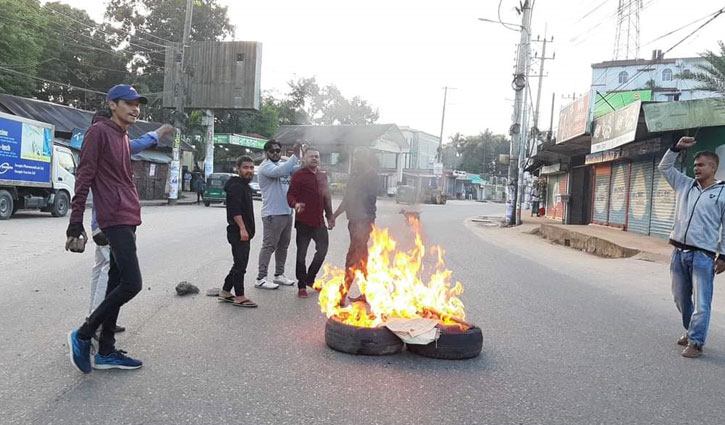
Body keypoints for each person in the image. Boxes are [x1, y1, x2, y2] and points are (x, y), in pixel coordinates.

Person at [65, 84, 149, 373]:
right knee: (132, 283)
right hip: (113, 216)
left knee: (116, 282)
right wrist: (75, 222)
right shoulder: (99, 132)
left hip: (127, 214)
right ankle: (84, 333)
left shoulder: (123, 137)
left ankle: (106, 351)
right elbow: (84, 176)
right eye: (128, 103)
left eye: (138, 104)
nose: (135, 108)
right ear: (112, 104)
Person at [88, 111, 174, 331]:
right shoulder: (109, 144)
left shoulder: (101, 144)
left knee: (101, 269)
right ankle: (96, 322)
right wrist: (161, 131)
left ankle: (97, 318)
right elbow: (137, 144)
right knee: (117, 276)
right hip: (110, 223)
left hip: (100, 222)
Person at [659, 136, 725, 358]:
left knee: (702, 302)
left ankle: (696, 342)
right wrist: (675, 148)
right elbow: (664, 166)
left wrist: (723, 255)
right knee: (679, 297)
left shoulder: (723, 193)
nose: (696, 168)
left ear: (714, 167)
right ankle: (690, 330)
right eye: (695, 165)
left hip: (703, 256)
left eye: (701, 165)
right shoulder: (684, 184)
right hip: (679, 252)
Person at [332, 149, 379, 304]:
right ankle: (366, 293)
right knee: (362, 257)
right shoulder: (355, 175)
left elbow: (368, 199)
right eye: (356, 157)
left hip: (364, 222)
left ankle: (342, 295)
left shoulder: (371, 175)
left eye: (360, 157)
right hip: (354, 221)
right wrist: (335, 215)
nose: (357, 160)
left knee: (353, 257)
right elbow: (347, 198)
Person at [255, 139, 303, 289]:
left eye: (278, 151)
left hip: (287, 212)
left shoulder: (282, 165)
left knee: (283, 246)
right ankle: (261, 278)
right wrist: (294, 155)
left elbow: (296, 170)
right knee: (269, 246)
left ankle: (279, 275)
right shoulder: (265, 167)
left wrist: (305, 157)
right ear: (266, 153)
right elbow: (280, 172)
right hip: (273, 214)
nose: (275, 153)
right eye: (272, 151)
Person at [287, 147, 334, 298]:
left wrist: (330, 215)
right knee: (301, 254)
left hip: (319, 221)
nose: (314, 158)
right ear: (305, 159)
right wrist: (295, 204)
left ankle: (310, 278)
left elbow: (326, 197)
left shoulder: (322, 176)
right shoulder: (299, 175)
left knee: (322, 250)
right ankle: (301, 285)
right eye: (311, 156)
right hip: (303, 222)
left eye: (317, 156)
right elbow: (290, 194)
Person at [217, 156, 258, 308]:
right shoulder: (236, 187)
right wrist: (242, 228)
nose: (249, 171)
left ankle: (226, 291)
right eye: (246, 167)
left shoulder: (243, 186)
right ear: (238, 169)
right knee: (241, 265)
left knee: (238, 263)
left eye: (251, 168)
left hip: (243, 231)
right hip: (238, 231)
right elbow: (235, 211)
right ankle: (239, 296)